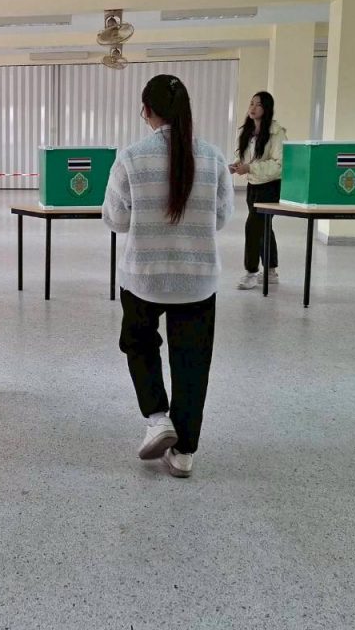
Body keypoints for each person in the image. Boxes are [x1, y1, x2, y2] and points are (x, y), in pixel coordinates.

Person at [103, 74, 234, 479]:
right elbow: (221, 218)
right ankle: (184, 452)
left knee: (138, 343)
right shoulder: (213, 158)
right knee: (193, 362)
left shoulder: (131, 157)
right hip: (197, 279)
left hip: (144, 276)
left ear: (147, 110)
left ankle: (158, 417)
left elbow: (116, 219)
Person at [230, 91, 286, 290]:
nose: (252, 108)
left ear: (267, 108)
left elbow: (280, 164)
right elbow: (244, 157)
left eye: (258, 105)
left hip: (270, 186)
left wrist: (251, 168)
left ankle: (251, 272)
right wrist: (237, 165)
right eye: (251, 103)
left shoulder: (276, 132)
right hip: (253, 185)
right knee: (264, 227)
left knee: (252, 226)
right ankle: (270, 271)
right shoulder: (246, 131)